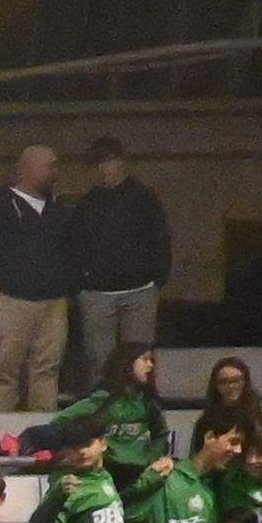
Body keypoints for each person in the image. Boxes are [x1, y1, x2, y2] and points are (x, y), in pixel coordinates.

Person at [0, 142, 74, 417]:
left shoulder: (58, 210)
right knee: (4, 374)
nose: (56, 172)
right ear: (28, 168)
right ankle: (2, 436)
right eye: (50, 166)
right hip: (8, 301)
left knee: (47, 372)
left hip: (52, 303)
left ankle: (42, 435)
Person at [62, 140, 169, 370]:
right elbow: (75, 244)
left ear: (120, 161)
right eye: (98, 164)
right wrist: (81, 283)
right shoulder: (88, 203)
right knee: (99, 362)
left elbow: (160, 238)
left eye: (107, 161)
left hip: (140, 290)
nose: (103, 169)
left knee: (139, 363)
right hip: (97, 293)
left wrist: (156, 278)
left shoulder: (144, 198)